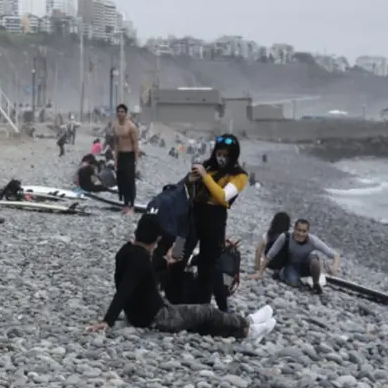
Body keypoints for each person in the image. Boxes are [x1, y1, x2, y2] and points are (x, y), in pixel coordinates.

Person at [86, 214, 277, 342]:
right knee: (206, 312)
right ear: (156, 239)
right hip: (156, 316)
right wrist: (107, 320)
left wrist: (165, 264)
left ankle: (244, 332)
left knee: (199, 324)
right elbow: (125, 288)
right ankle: (247, 324)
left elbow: (127, 281)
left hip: (147, 312)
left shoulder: (126, 251)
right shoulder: (141, 259)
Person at [182, 134, 248, 312]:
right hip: (195, 214)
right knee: (181, 253)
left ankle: (220, 306)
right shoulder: (208, 166)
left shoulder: (239, 176)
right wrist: (191, 179)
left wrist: (205, 176)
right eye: (219, 152)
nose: (221, 156)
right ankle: (181, 294)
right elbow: (189, 189)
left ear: (233, 155)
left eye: (226, 154)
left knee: (210, 264)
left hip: (214, 218)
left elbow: (223, 196)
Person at [260, 218, 340, 293]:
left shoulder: (313, 240)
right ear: (294, 229)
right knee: (293, 283)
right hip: (291, 265)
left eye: (304, 231)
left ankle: (316, 284)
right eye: (299, 230)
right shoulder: (285, 237)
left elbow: (335, 255)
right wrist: (260, 272)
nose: (301, 234)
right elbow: (269, 255)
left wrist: (334, 267)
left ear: (308, 232)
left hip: (306, 264)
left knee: (315, 261)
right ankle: (281, 273)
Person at [112, 104, 140, 215]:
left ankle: (131, 205)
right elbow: (116, 143)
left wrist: (136, 160)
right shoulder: (116, 126)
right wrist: (115, 158)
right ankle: (124, 204)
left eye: (122, 111)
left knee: (129, 181)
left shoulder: (131, 127)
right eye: (118, 111)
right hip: (121, 156)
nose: (120, 114)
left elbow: (135, 144)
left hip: (129, 155)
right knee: (121, 181)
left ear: (126, 113)